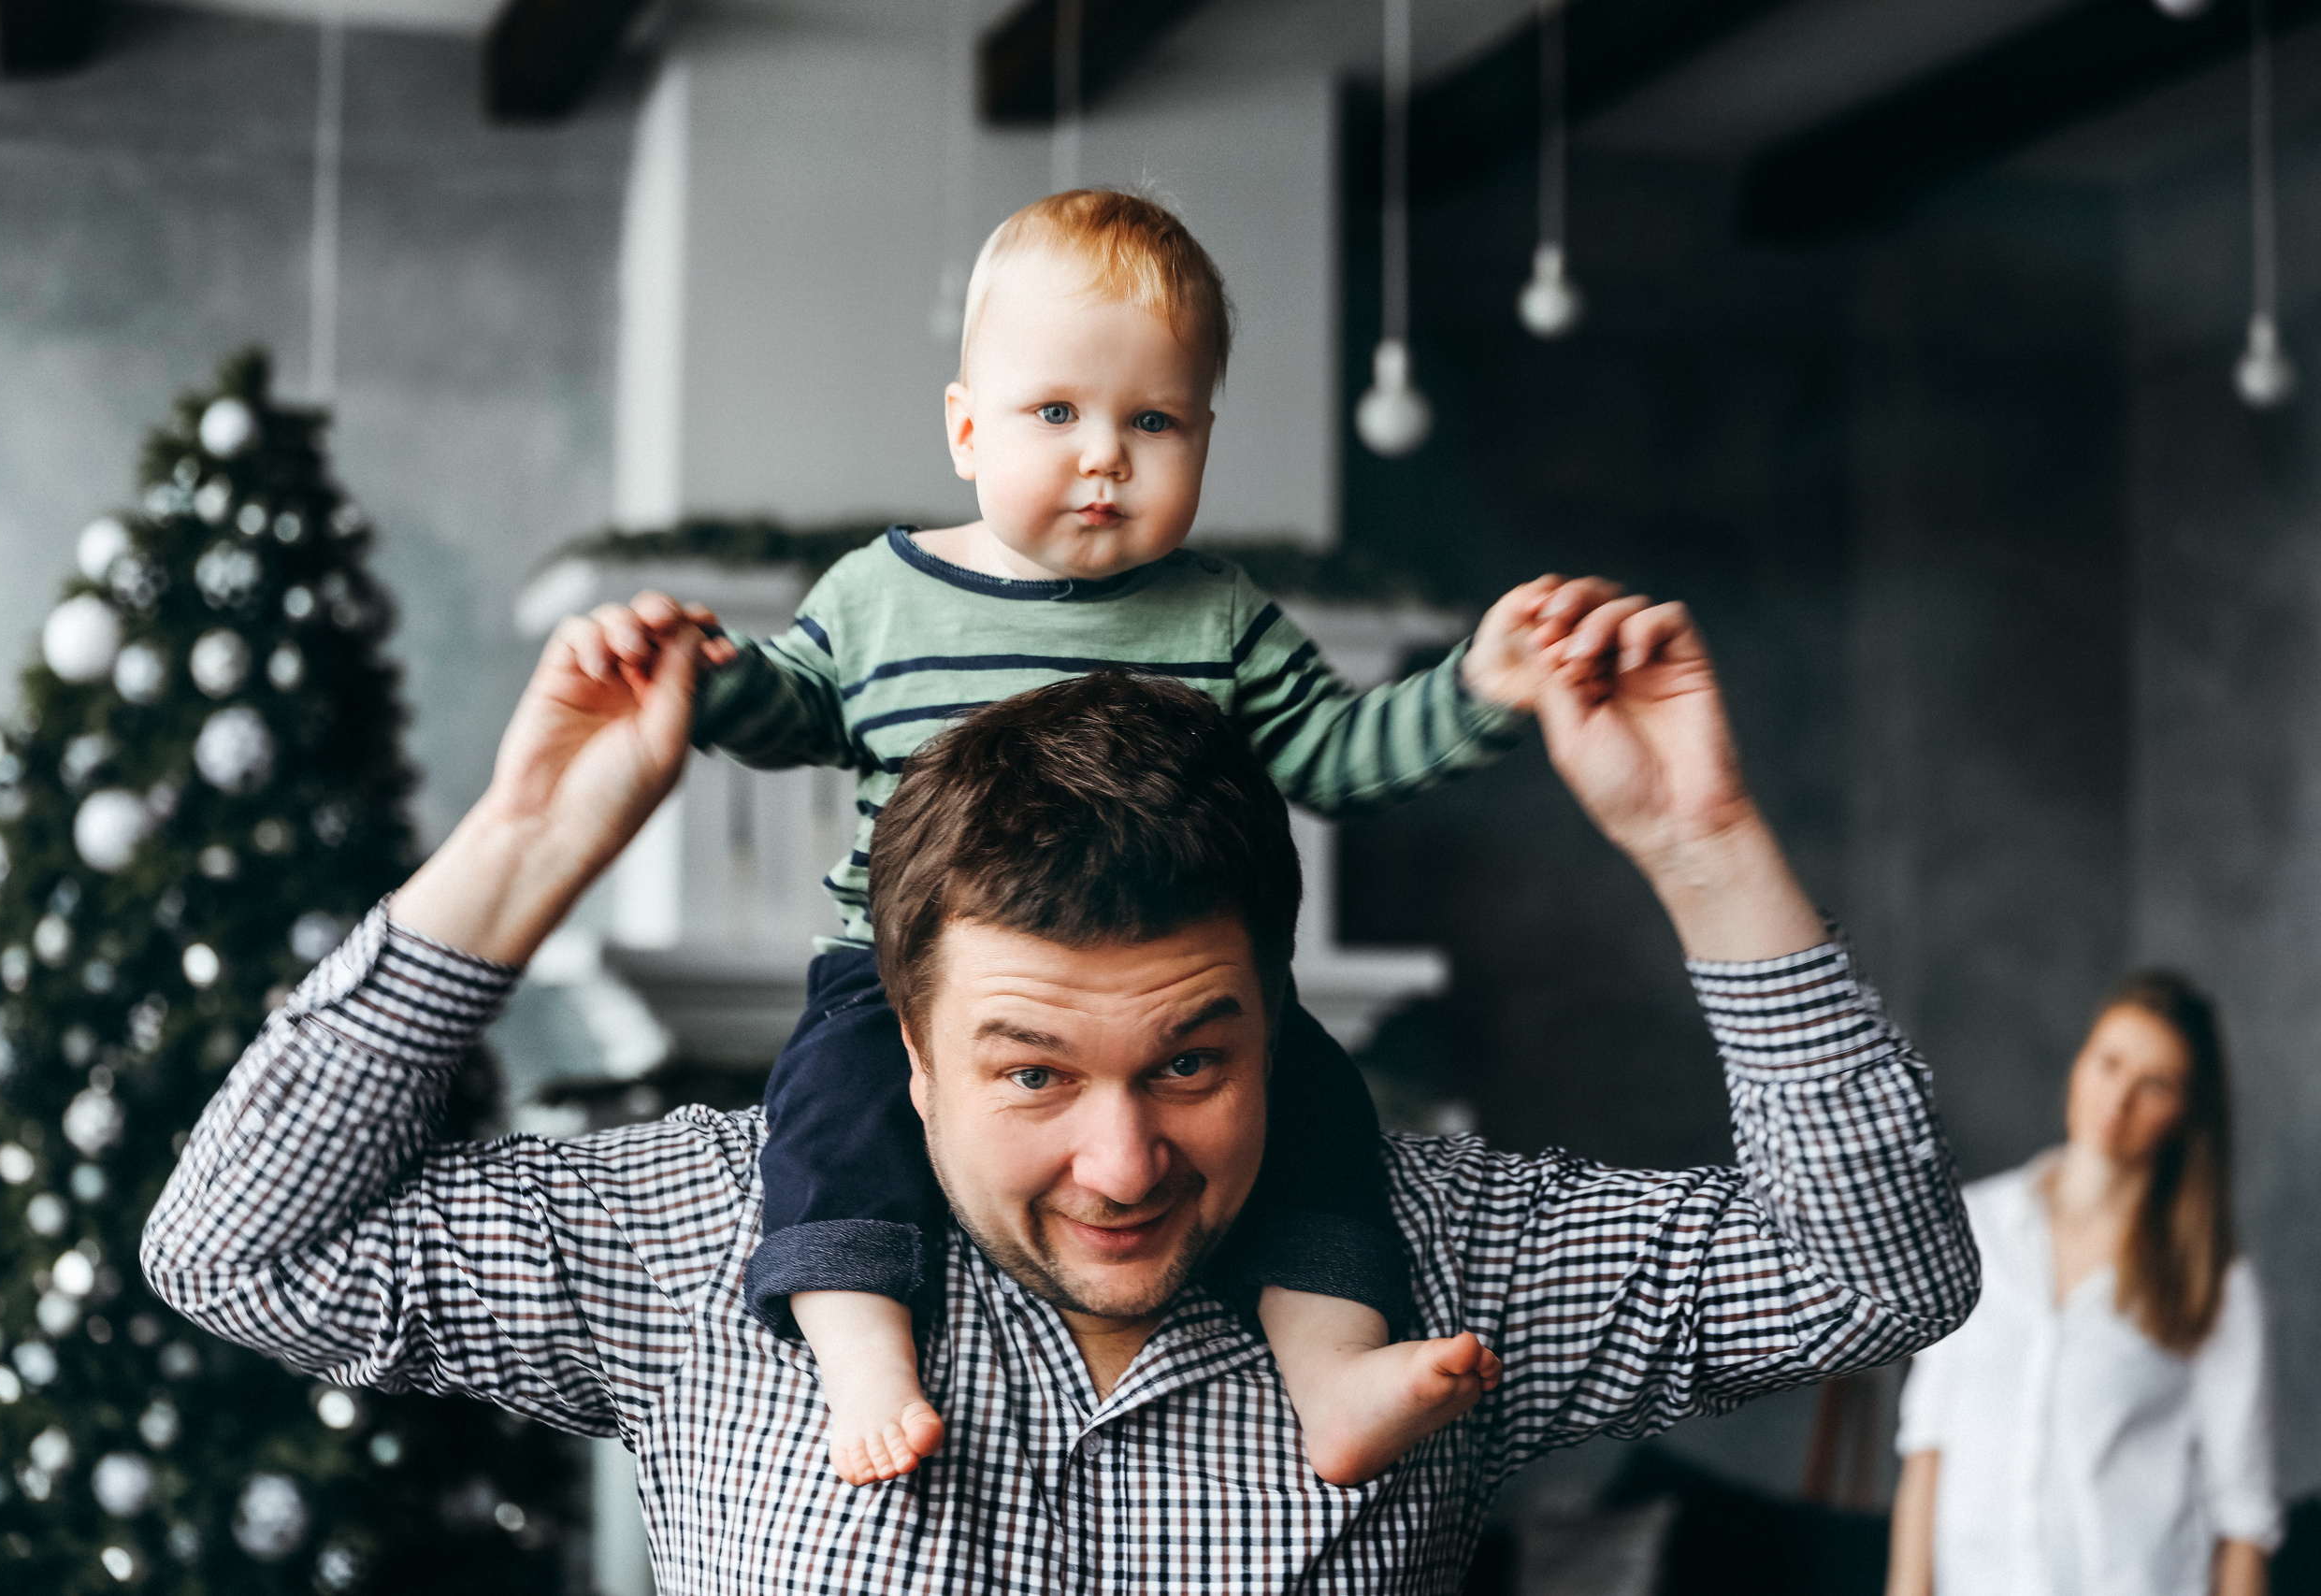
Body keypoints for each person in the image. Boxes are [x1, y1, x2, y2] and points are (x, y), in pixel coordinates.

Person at [142, 580, 1982, 1594]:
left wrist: (1704, 842)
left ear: (1273, 1005)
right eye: (1032, 1071)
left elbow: (1871, 1274)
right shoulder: (698, 1228)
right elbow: (236, 1249)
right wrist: (528, 842)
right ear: (904, 1045)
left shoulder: (1440, 1249)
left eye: (1193, 1058)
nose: (1124, 1159)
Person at [666, 188, 1581, 1487]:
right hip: (901, 971)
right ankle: (864, 1351)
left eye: (1154, 421)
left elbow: (1337, 752)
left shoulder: (1219, 615)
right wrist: (700, 681)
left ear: (1206, 432)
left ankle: (1331, 1373)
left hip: (1176, 980)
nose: (1105, 456)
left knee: (1317, 1105)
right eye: (1058, 414)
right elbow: (794, 707)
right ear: (966, 425)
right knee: (830, 1112)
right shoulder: (880, 596)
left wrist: (1484, 690)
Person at [1887, 973, 2279, 1596]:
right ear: (2080, 1064)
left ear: (2184, 1115)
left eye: (2155, 1083)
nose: (2118, 1098)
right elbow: (1928, 1443)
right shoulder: (1975, 1230)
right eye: (2110, 1062)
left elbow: (2243, 1515)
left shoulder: (2215, 1278)